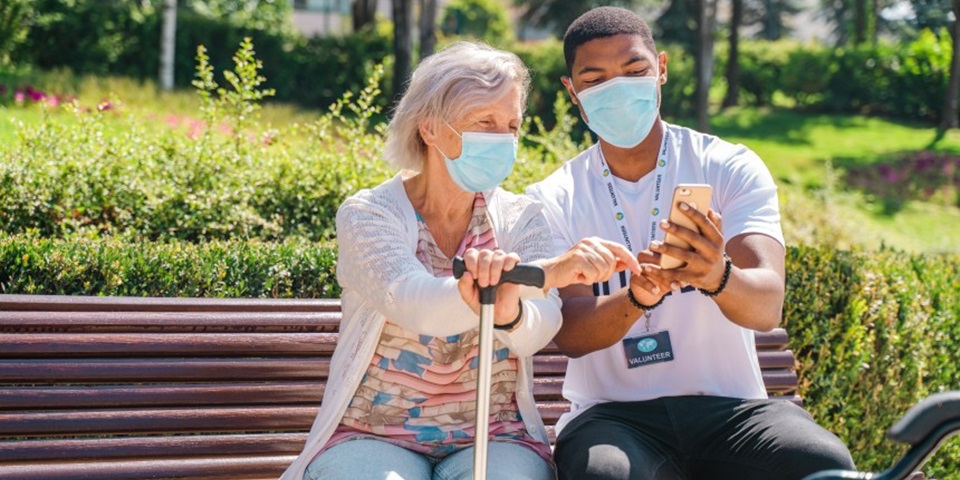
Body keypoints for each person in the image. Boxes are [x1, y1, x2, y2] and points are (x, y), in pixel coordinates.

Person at [280, 41, 638, 480]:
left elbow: (536, 331)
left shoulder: (523, 217)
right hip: (372, 436)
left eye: (511, 125)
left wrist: (509, 312)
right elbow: (414, 302)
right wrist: (538, 276)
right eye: (484, 122)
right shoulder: (369, 214)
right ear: (429, 128)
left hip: (497, 436)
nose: (502, 138)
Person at [525, 7, 856, 480]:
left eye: (635, 71)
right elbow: (573, 335)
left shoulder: (728, 167)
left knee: (821, 464)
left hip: (731, 410)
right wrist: (639, 296)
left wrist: (716, 275)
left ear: (661, 68)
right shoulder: (552, 196)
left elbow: (766, 305)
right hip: (611, 416)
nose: (616, 89)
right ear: (571, 90)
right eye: (594, 79)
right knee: (604, 475)